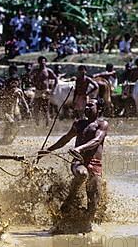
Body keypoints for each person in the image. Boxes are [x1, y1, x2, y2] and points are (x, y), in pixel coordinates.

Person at [37, 98, 108, 233]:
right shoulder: (79, 124)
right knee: (82, 174)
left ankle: (86, 228)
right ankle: (70, 198)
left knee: (93, 204)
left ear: (98, 109)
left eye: (90, 106)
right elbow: (65, 139)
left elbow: (97, 140)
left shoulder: (102, 124)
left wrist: (80, 148)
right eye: (86, 105)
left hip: (95, 164)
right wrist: (47, 150)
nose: (86, 108)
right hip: (79, 162)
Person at [0, 76, 30, 145]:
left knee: (17, 125)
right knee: (10, 123)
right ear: (10, 83)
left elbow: (23, 100)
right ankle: (4, 138)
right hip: (5, 111)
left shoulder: (18, 91)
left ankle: (10, 138)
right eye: (12, 82)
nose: (14, 83)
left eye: (16, 82)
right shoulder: (5, 90)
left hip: (15, 111)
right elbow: (1, 100)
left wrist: (27, 109)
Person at [30, 56, 58, 127]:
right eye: (41, 62)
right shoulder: (36, 71)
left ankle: (47, 125)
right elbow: (30, 77)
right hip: (38, 91)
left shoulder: (48, 71)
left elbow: (56, 79)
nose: (43, 63)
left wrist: (52, 89)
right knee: (37, 107)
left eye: (44, 61)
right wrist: (33, 83)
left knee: (46, 108)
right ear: (39, 62)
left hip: (45, 91)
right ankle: (37, 124)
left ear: (45, 62)